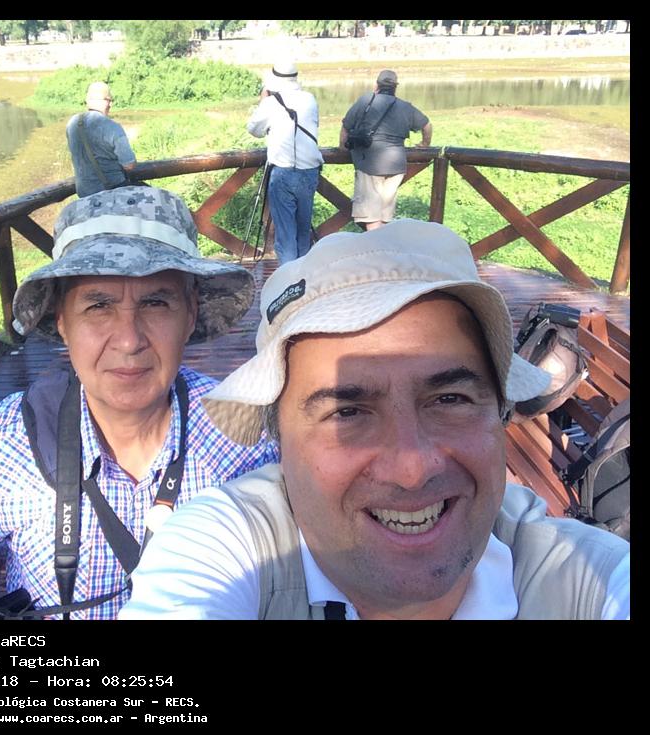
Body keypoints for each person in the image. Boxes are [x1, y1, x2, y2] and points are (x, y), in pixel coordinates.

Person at [120, 219, 630, 620]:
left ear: (498, 413)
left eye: (449, 399)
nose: (412, 469)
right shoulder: (227, 549)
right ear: (280, 444)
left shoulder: (585, 577)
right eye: (346, 412)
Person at [0, 185, 279, 620]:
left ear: (191, 314)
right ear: (61, 319)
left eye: (155, 302)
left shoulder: (251, 439)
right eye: (98, 306)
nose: (129, 340)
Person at [246, 59, 324, 265]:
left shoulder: (270, 103)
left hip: (283, 172)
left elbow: (254, 129)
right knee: (303, 229)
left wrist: (264, 100)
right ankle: (305, 275)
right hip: (309, 170)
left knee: (286, 234)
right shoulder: (309, 99)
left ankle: (288, 278)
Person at [340, 70, 432, 231]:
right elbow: (427, 125)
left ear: (376, 85)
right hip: (396, 166)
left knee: (371, 216)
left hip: (369, 164)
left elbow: (346, 127)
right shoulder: (405, 106)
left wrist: (342, 148)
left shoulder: (365, 100)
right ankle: (383, 243)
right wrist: (425, 144)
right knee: (385, 215)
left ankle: (375, 245)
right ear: (395, 87)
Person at [66, 81, 136, 197]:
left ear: (88, 100)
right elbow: (129, 165)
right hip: (113, 190)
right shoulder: (112, 127)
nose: (110, 105)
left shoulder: (72, 123)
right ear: (106, 101)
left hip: (84, 193)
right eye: (109, 100)